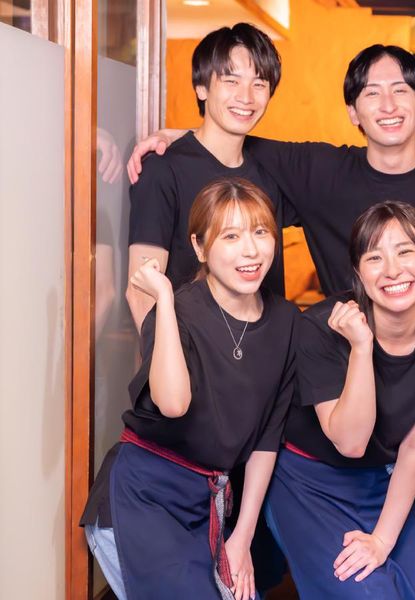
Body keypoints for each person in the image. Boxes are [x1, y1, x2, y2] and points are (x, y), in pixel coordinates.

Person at [129, 43, 415, 550]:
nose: (387, 105)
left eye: (401, 91)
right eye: (371, 94)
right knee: (334, 546)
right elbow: (232, 131)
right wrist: (173, 136)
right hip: (337, 383)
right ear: (352, 112)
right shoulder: (319, 170)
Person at [80, 178, 298, 600]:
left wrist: (242, 539)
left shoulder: (287, 321)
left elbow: (267, 437)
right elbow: (173, 403)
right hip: (141, 499)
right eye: (230, 236)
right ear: (199, 247)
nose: (250, 250)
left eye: (260, 232)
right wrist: (164, 298)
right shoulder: (175, 313)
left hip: (207, 505)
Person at [265, 201, 415, 599]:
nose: (392, 270)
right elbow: (350, 442)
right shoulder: (319, 328)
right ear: (358, 272)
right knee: (370, 594)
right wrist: (361, 347)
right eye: (374, 257)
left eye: (405, 251)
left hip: (393, 475)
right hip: (313, 481)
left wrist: (382, 540)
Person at [125, 23, 290, 333]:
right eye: (231, 81)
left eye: (259, 83)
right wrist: (169, 361)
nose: (246, 97)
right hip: (190, 353)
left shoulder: (273, 173)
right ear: (201, 87)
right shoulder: (163, 169)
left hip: (267, 354)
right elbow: (141, 292)